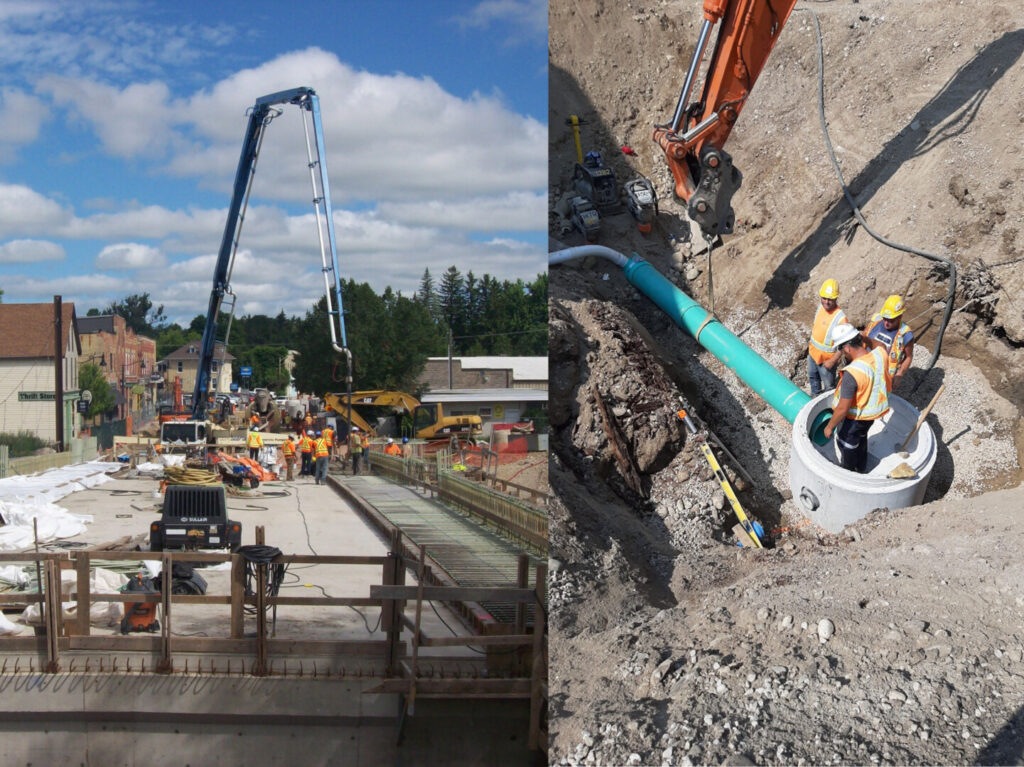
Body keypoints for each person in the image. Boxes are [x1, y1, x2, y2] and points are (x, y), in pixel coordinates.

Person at [823, 323, 891, 474]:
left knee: (847, 445)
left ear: (846, 348)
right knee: (861, 440)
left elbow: (842, 408)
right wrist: (864, 337)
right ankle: (861, 467)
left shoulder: (852, 373)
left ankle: (849, 472)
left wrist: (829, 427)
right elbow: (881, 345)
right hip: (870, 417)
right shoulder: (879, 355)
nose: (841, 353)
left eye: (841, 349)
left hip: (854, 421)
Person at [866, 294, 915, 391]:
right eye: (885, 318)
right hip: (865, 369)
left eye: (891, 320)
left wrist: (900, 374)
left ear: (899, 317)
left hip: (884, 378)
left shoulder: (905, 334)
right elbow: (864, 335)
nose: (886, 323)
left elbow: (908, 357)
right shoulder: (876, 320)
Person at [807, 278, 847, 395]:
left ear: (836, 298)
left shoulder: (840, 318)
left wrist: (833, 361)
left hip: (827, 361)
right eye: (824, 298)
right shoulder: (820, 308)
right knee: (813, 379)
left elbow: (844, 345)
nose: (826, 302)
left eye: (830, 299)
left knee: (829, 387)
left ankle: (829, 408)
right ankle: (815, 398)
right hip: (813, 354)